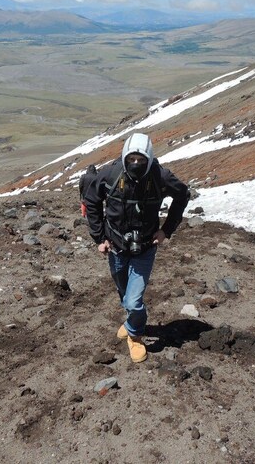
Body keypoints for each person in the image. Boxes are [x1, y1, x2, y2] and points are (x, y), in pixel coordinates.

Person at [83, 132, 189, 363]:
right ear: (124, 157)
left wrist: (166, 230)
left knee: (133, 300)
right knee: (124, 294)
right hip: (116, 247)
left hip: (145, 248)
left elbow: (182, 195)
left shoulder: (160, 177)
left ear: (149, 158)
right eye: (131, 159)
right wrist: (99, 237)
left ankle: (135, 334)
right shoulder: (110, 174)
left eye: (141, 160)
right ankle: (131, 319)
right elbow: (91, 200)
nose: (135, 164)